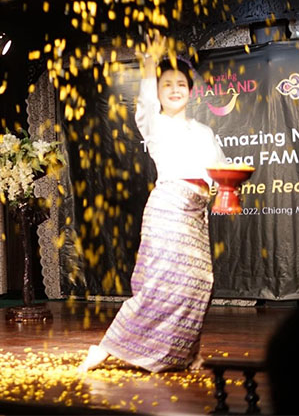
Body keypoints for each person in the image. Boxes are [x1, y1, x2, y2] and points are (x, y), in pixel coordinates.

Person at [79, 32, 226, 373]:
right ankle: (107, 346)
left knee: (198, 284)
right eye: (166, 84)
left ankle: (188, 352)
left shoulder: (204, 132)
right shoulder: (155, 123)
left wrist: (226, 189)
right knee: (160, 284)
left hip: (196, 216)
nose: (174, 89)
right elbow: (144, 103)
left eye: (181, 84)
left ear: (191, 90)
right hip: (168, 211)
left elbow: (221, 171)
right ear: (159, 92)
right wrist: (149, 63)